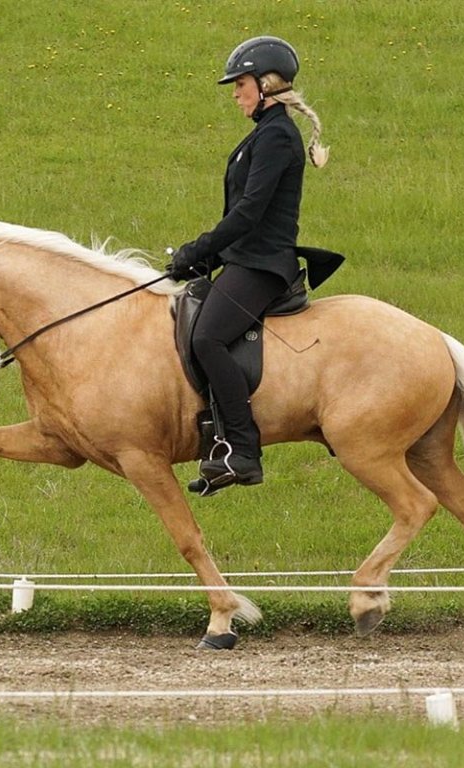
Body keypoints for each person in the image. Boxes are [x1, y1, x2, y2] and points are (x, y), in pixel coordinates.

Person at [168, 35, 329, 490]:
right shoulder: (262, 134)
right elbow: (241, 217)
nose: (235, 93)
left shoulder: (277, 137)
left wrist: (199, 249)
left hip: (263, 266)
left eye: (240, 84)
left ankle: (241, 450)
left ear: (266, 84)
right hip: (244, 259)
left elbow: (248, 214)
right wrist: (206, 258)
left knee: (208, 338)